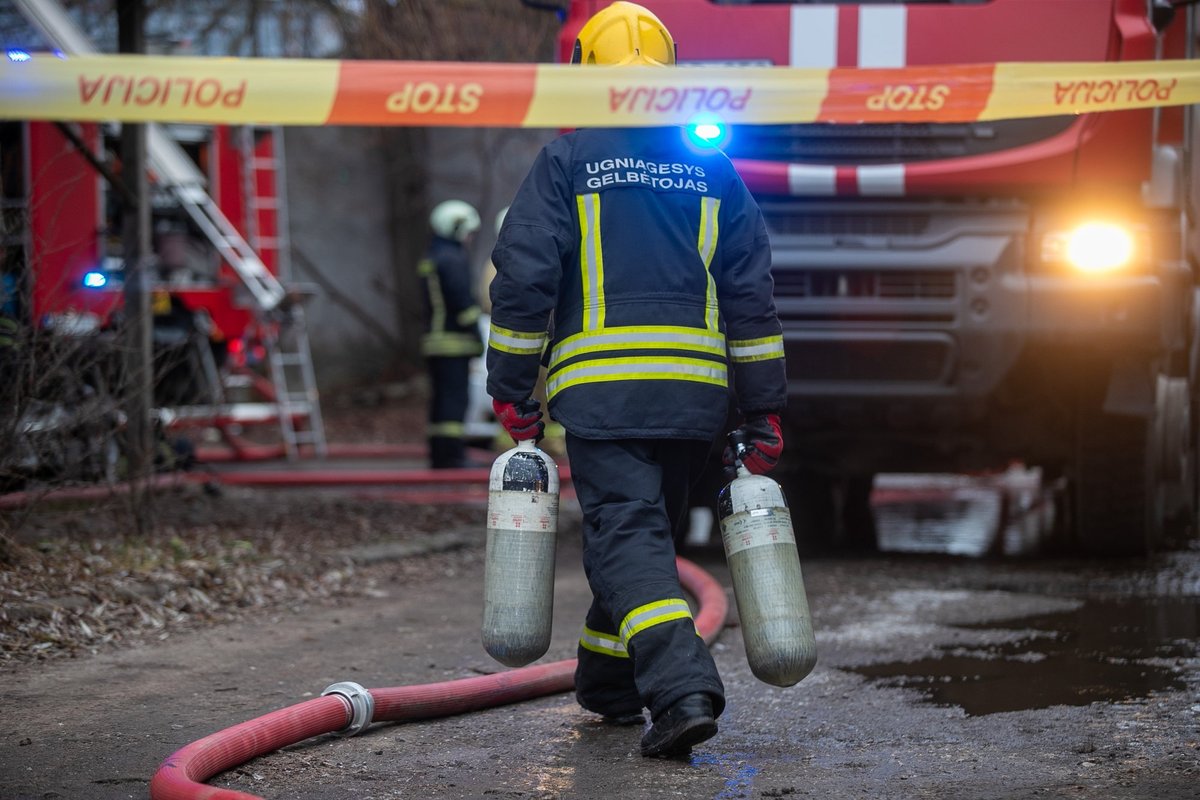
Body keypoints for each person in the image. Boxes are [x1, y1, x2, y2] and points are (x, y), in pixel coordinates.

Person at [485, 1, 787, 758]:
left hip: (603, 399)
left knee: (627, 538)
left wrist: (512, 387)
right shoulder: (714, 170)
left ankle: (682, 691)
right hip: (696, 404)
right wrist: (763, 411)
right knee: (641, 540)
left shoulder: (566, 160)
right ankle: (610, 684)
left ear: (584, 73)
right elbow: (752, 301)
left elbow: (522, 278)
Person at [419, 199, 484, 469]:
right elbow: (463, 303)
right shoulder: (453, 259)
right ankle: (452, 457)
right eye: (467, 231)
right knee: (455, 400)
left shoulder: (432, 257)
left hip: (433, 341)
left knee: (439, 399)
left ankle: (438, 454)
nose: (469, 238)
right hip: (454, 342)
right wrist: (478, 336)